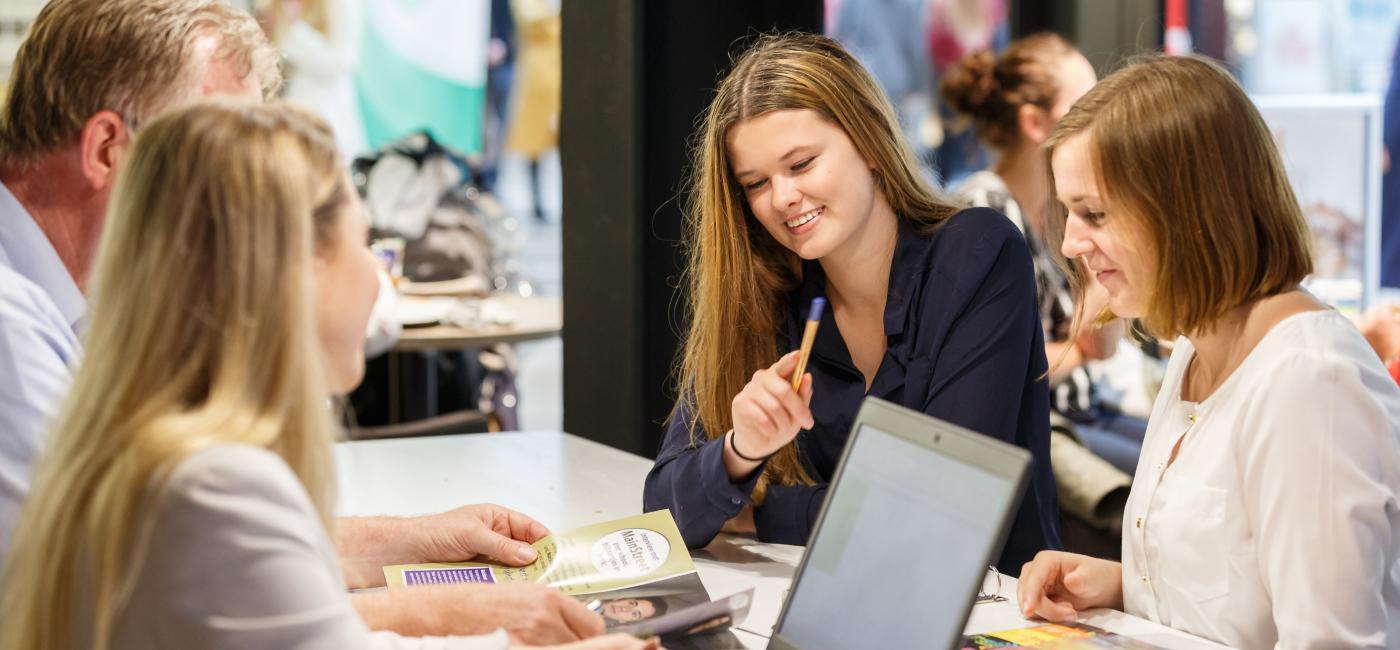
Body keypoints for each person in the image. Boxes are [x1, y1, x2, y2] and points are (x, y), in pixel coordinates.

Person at [0, 0, 599, 643]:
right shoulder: (13, 327)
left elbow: (184, 556)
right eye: (219, 154)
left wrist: (402, 542)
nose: (255, 185)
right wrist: (441, 608)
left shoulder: (81, 311)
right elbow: (100, 599)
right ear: (109, 149)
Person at [1017, 55, 1400, 648]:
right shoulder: (1198, 345)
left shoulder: (1309, 380)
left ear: (1186, 211)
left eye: (1093, 213)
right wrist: (1121, 586)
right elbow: (1243, 593)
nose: (1070, 240)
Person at [642, 32, 1059, 573]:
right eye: (755, 183)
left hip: (999, 612)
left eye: (802, 164)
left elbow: (946, 511)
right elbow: (662, 510)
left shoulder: (977, 252)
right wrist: (741, 452)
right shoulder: (766, 291)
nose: (782, 197)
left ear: (867, 142)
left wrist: (755, 510)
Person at [940, 33, 1137, 541]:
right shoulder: (983, 209)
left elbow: (1103, 341)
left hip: (1088, 407)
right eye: (1085, 107)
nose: (1104, 123)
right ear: (1034, 123)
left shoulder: (1061, 209)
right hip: (1040, 425)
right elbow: (1004, 365)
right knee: (1149, 501)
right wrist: (1079, 345)